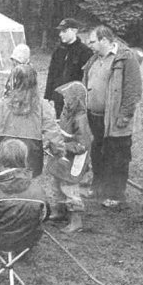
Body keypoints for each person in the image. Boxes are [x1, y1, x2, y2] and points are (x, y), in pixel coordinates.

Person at [82, 25, 142, 208]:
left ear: (105, 40)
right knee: (97, 153)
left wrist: (124, 116)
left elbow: (133, 90)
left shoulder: (126, 58)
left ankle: (116, 195)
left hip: (116, 119)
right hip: (95, 117)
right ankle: (98, 187)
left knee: (118, 157)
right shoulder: (94, 58)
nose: (89, 45)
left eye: (92, 41)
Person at [0, 63, 64, 178]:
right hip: (31, 153)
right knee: (29, 184)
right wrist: (59, 151)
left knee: (6, 180)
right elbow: (52, 131)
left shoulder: (2, 104)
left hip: (7, 149)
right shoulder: (42, 105)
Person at [46, 81, 92, 233]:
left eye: (68, 99)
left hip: (74, 159)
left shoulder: (81, 119)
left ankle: (76, 220)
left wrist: (65, 146)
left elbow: (83, 145)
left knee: (69, 188)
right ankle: (59, 210)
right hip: (63, 157)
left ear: (76, 100)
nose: (65, 101)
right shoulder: (67, 113)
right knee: (56, 183)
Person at [44, 18, 93, 119]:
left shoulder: (85, 52)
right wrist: (48, 96)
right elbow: (51, 74)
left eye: (64, 31)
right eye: (60, 31)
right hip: (59, 99)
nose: (60, 34)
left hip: (76, 101)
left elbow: (88, 78)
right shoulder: (58, 51)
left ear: (74, 31)